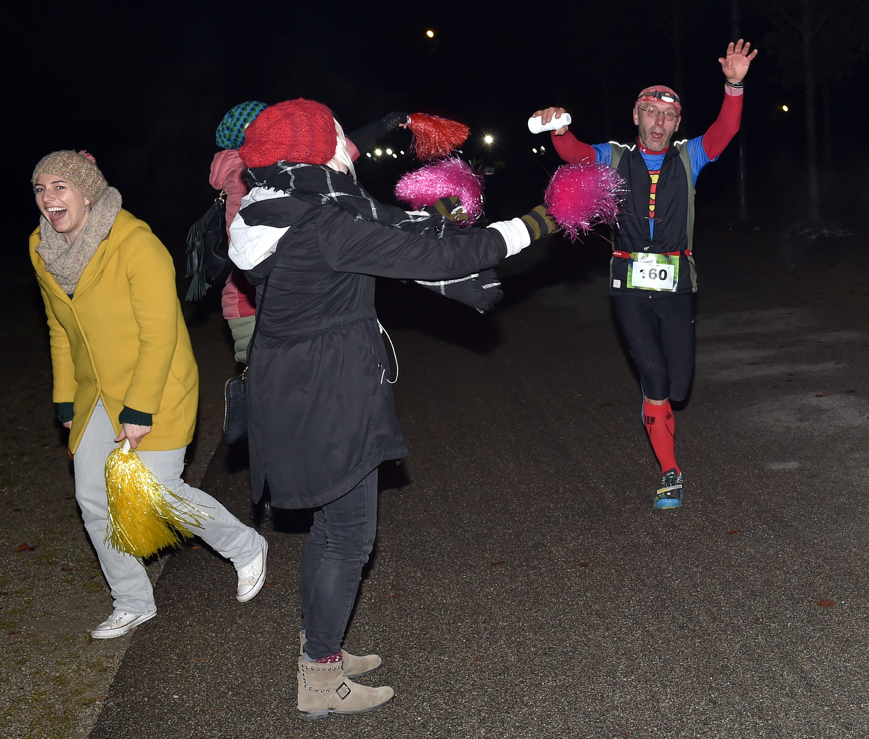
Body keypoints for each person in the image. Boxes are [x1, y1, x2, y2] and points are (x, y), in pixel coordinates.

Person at [228, 98, 556, 717]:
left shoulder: (274, 206)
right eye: (335, 139)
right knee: (349, 534)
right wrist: (540, 222)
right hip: (328, 396)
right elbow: (445, 258)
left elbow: (386, 234)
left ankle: (319, 646)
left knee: (330, 530)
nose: (345, 148)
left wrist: (430, 212)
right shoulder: (320, 223)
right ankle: (320, 676)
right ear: (313, 152)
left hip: (297, 388)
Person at [30, 150, 268, 640]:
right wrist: (64, 397)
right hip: (95, 389)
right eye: (40, 189)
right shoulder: (41, 249)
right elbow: (58, 329)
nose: (49, 199)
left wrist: (139, 409)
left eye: (60, 187)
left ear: (86, 191)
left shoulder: (136, 244)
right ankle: (132, 600)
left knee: (158, 492)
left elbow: (160, 334)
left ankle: (244, 545)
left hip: (157, 383)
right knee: (93, 498)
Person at [532, 39, 756, 510]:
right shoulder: (613, 157)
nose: (660, 123)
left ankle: (657, 405)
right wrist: (558, 128)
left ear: (678, 124)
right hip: (629, 286)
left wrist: (734, 84)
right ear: (636, 116)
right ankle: (670, 473)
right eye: (651, 113)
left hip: (678, 284)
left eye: (669, 116)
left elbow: (726, 129)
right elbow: (572, 153)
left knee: (680, 385)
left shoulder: (689, 157)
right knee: (655, 380)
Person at [210, 102, 410, 362]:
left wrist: (385, 124)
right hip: (256, 304)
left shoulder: (253, 170)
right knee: (278, 391)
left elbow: (334, 155)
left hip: (257, 301)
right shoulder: (252, 173)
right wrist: (385, 124)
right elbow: (330, 159)